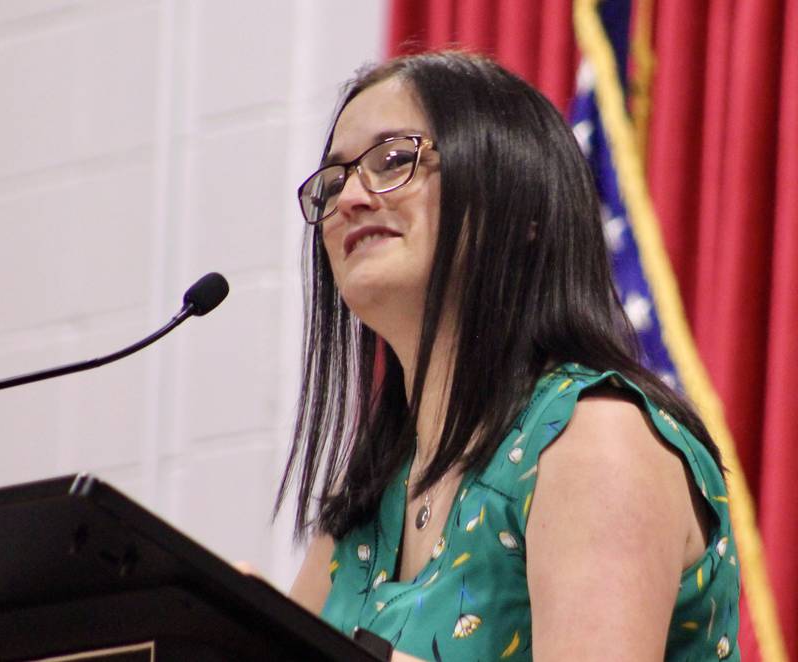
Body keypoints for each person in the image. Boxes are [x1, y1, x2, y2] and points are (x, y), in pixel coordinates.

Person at [274, 51, 740, 661]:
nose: (352, 199)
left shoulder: (594, 436)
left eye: (393, 161)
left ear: (519, 203)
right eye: (333, 183)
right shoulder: (367, 495)